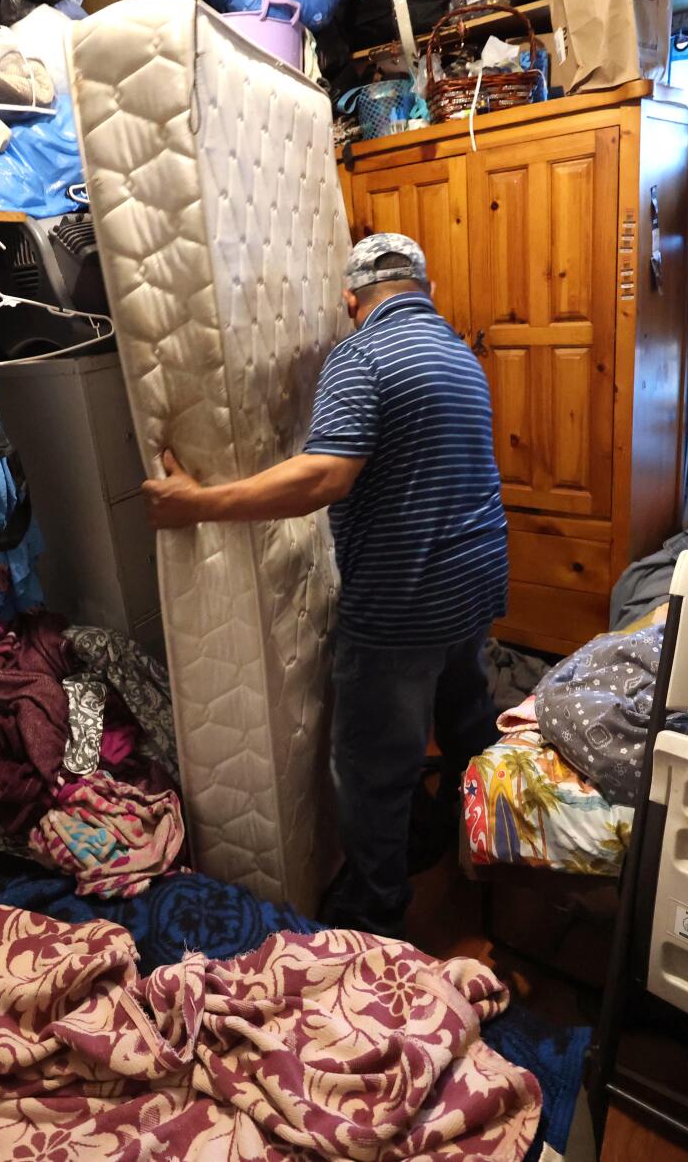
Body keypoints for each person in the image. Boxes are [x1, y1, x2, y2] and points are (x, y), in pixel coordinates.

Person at [142, 234, 508, 935]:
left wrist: (199, 504)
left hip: (404, 600)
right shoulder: (460, 353)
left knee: (373, 766)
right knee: (467, 722)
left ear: (350, 300)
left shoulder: (362, 355)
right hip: (476, 578)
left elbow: (324, 474)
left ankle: (376, 909)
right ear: (424, 289)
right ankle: (478, 852)